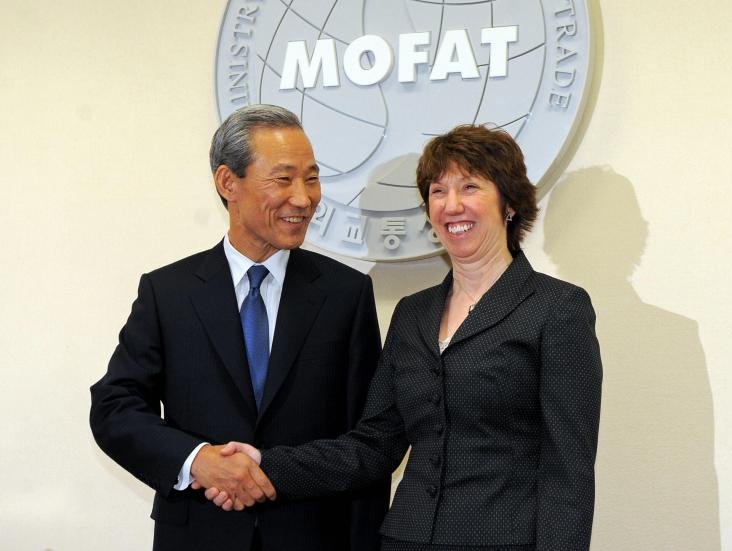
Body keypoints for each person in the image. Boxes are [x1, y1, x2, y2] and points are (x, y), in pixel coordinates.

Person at [204, 124, 603, 550]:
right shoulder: (414, 313)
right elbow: (373, 446)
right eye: (437, 191)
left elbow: (569, 470)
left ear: (509, 203)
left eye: (470, 187)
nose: (452, 205)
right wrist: (265, 462)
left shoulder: (558, 309)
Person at [89, 105, 390, 551]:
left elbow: (369, 442)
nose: (304, 198)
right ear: (229, 182)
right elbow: (114, 407)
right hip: (198, 535)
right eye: (284, 179)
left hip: (312, 536)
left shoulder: (346, 294)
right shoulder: (167, 292)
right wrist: (198, 461)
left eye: (312, 178)